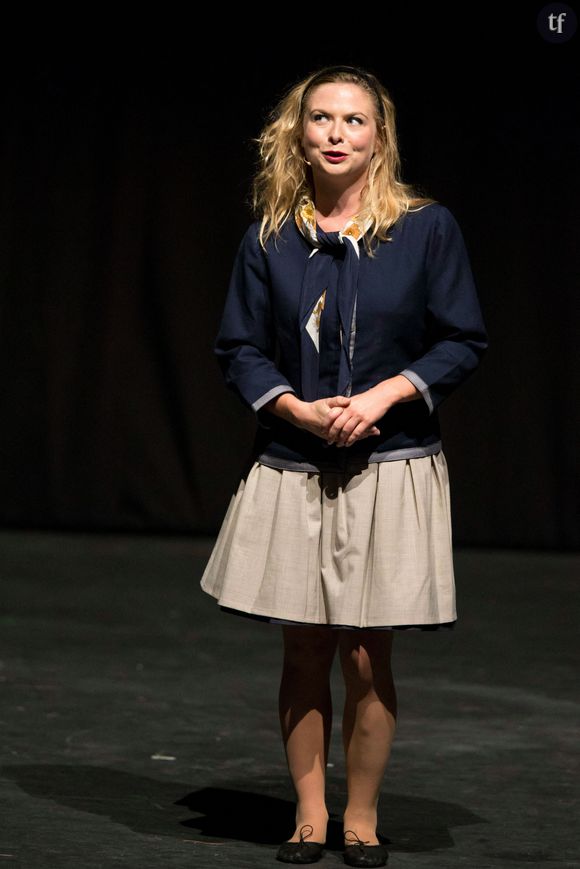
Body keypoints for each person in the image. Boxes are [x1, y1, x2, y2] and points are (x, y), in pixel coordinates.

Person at [200, 64, 488, 867]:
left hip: (389, 460)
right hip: (295, 459)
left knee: (367, 651)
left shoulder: (426, 229)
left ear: (379, 136)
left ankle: (360, 816)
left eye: (354, 120)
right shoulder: (270, 236)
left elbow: (462, 338)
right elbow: (240, 347)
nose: (336, 134)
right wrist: (291, 406)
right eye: (321, 119)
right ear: (299, 132)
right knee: (304, 648)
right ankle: (309, 813)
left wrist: (388, 394)